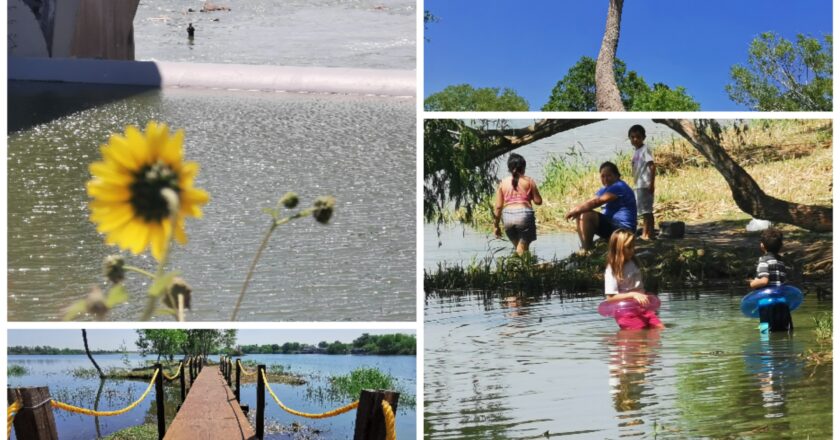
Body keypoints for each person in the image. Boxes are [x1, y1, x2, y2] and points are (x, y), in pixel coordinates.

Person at [565, 161, 636, 251]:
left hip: (624, 230)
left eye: (609, 175)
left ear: (617, 175)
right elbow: (592, 200)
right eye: (603, 176)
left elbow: (596, 202)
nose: (605, 179)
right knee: (581, 213)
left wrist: (576, 210)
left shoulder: (619, 186)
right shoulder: (607, 188)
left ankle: (587, 248)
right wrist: (576, 209)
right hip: (613, 225)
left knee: (587, 215)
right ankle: (585, 247)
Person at [603, 229, 664, 330]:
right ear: (618, 248)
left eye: (633, 246)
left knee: (660, 329)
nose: (632, 250)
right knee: (637, 338)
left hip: (642, 308)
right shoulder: (612, 269)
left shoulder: (633, 261)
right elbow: (610, 298)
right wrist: (633, 294)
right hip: (626, 312)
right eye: (628, 247)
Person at [493, 153, 543, 256]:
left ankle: (523, 267)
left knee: (520, 249)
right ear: (523, 168)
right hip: (524, 215)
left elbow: (498, 207)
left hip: (507, 217)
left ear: (509, 168)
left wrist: (496, 226)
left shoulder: (502, 183)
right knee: (522, 250)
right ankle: (521, 269)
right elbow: (538, 201)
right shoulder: (529, 181)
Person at [749, 228, 792, 332]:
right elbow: (784, 282)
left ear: (762, 245)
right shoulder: (781, 262)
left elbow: (764, 281)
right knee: (786, 330)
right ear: (780, 246)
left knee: (765, 332)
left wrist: (753, 283)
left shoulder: (763, 260)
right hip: (782, 302)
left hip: (767, 302)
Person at [629, 124, 655, 240]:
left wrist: (651, 184)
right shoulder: (636, 151)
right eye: (632, 137)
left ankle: (648, 233)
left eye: (638, 137)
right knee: (643, 210)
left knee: (647, 211)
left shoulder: (645, 149)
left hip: (645, 184)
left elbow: (652, 166)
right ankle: (647, 233)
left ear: (643, 137)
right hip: (638, 184)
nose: (635, 139)